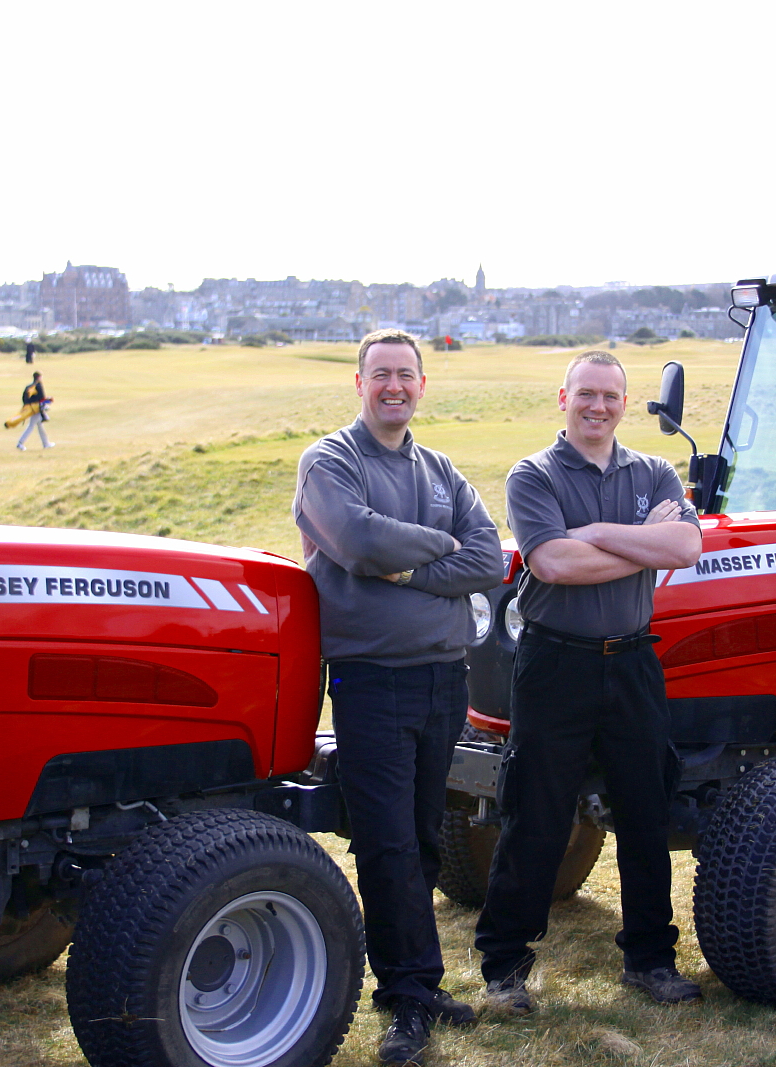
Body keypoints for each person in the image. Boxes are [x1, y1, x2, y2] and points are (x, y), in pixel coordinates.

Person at [293, 327, 503, 1065]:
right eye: (380, 374)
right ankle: (406, 998)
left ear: (421, 384)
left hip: (445, 678)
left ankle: (414, 979)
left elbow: (489, 556)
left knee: (419, 837)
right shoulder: (329, 461)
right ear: (359, 383)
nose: (394, 387)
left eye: (405, 375)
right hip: (370, 680)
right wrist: (437, 547)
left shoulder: (440, 467)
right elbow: (357, 540)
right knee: (383, 844)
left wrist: (414, 566)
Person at [475, 350, 703, 1014]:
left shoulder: (654, 471)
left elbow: (686, 548)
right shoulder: (534, 474)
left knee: (644, 811)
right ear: (563, 399)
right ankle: (505, 966)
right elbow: (551, 562)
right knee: (537, 815)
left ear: (625, 404)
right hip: (555, 665)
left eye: (610, 395)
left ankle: (650, 960)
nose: (598, 405)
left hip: (633, 662)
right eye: (586, 394)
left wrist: (599, 531)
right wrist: (639, 540)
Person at [8, 372, 53, 450]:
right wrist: (48, 400)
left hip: (28, 408)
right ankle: (20, 443)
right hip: (35, 408)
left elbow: (24, 398)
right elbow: (41, 398)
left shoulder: (28, 386)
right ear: (39, 377)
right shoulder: (39, 386)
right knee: (31, 426)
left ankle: (46, 443)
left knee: (39, 426)